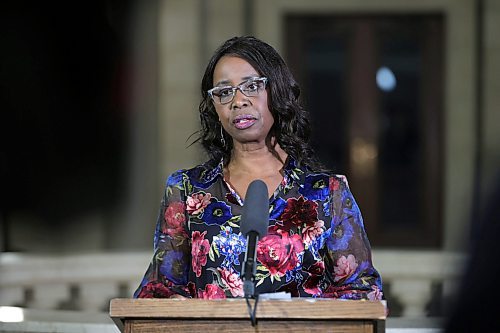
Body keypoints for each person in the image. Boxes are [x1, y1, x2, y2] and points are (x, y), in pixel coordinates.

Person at [134, 36, 383, 300]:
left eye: (251, 86)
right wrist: (177, 306)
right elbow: (158, 290)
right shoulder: (186, 190)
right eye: (224, 91)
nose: (238, 101)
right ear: (214, 107)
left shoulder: (327, 193)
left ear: (276, 92)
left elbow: (362, 291)